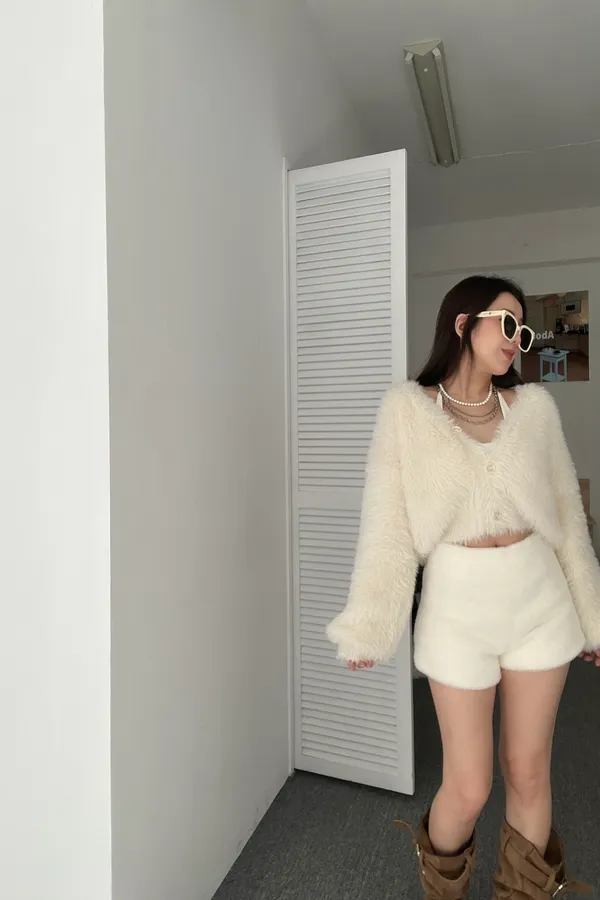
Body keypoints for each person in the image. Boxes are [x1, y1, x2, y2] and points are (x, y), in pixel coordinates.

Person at [326, 275, 600, 899]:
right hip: (457, 613)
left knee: (528, 773)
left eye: (522, 331)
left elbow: (567, 518)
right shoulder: (407, 412)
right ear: (462, 323)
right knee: (469, 785)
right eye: (506, 323)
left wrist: (592, 616)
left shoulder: (534, 410)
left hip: (540, 604)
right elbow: (388, 527)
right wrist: (370, 624)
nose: (516, 339)